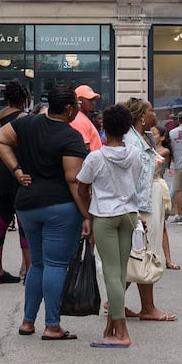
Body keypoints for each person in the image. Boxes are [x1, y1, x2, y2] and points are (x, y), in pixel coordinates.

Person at [0, 83, 92, 341]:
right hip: (59, 206)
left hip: (27, 204)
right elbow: (73, 180)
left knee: (37, 263)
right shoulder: (70, 136)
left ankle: (27, 321)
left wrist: (16, 170)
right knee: (56, 264)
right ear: (69, 108)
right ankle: (52, 324)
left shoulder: (27, 123)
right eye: (77, 107)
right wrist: (88, 215)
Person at [75, 104, 141, 348]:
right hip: (129, 215)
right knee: (120, 272)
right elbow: (135, 179)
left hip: (104, 215)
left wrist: (88, 207)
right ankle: (112, 326)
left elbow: (82, 187)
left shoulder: (96, 157)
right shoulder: (134, 153)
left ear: (103, 126)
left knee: (112, 274)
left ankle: (121, 332)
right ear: (127, 128)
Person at [124, 98, 177, 320]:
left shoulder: (144, 138)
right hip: (140, 202)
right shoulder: (132, 141)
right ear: (141, 117)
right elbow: (130, 176)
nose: (155, 114)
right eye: (151, 110)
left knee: (138, 252)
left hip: (146, 199)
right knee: (144, 252)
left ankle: (117, 300)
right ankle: (148, 307)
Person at [0, 79, 31, 284]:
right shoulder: (24, 118)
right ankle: (29, 270)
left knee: (0, 220)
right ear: (24, 98)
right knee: (25, 223)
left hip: (0, 171)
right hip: (18, 170)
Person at [71, 84, 104, 152]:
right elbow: (84, 149)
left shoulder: (81, 117)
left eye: (94, 100)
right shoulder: (78, 119)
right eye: (89, 100)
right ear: (79, 101)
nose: (93, 103)